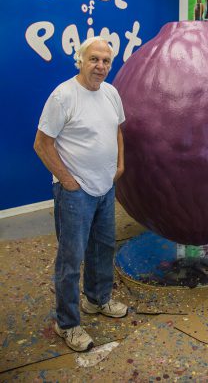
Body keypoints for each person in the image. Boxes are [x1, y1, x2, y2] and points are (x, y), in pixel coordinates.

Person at [34, 36, 127, 352]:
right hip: (75, 193)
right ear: (81, 60)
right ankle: (67, 324)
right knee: (70, 260)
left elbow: (117, 129)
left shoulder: (112, 93)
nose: (100, 66)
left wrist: (120, 164)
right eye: (94, 59)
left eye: (106, 61)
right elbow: (42, 144)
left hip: (105, 187)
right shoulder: (63, 96)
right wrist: (68, 182)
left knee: (103, 249)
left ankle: (97, 300)